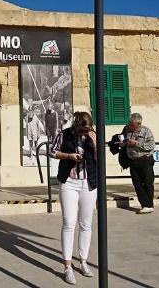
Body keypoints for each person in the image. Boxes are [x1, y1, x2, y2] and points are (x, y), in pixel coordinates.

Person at [54, 111, 97, 284]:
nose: (84, 133)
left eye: (87, 130)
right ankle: (67, 266)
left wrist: (95, 143)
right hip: (69, 182)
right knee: (69, 223)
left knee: (86, 224)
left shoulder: (93, 136)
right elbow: (53, 151)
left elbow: (99, 159)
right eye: (82, 131)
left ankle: (84, 261)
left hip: (89, 183)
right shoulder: (64, 134)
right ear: (76, 126)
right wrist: (69, 156)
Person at [120, 113, 156, 214]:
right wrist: (122, 143)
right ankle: (145, 205)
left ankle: (149, 205)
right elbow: (122, 140)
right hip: (133, 160)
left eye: (132, 124)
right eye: (129, 123)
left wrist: (136, 143)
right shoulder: (126, 129)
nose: (130, 126)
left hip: (145, 159)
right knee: (137, 184)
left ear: (139, 124)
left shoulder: (146, 131)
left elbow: (151, 146)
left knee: (148, 183)